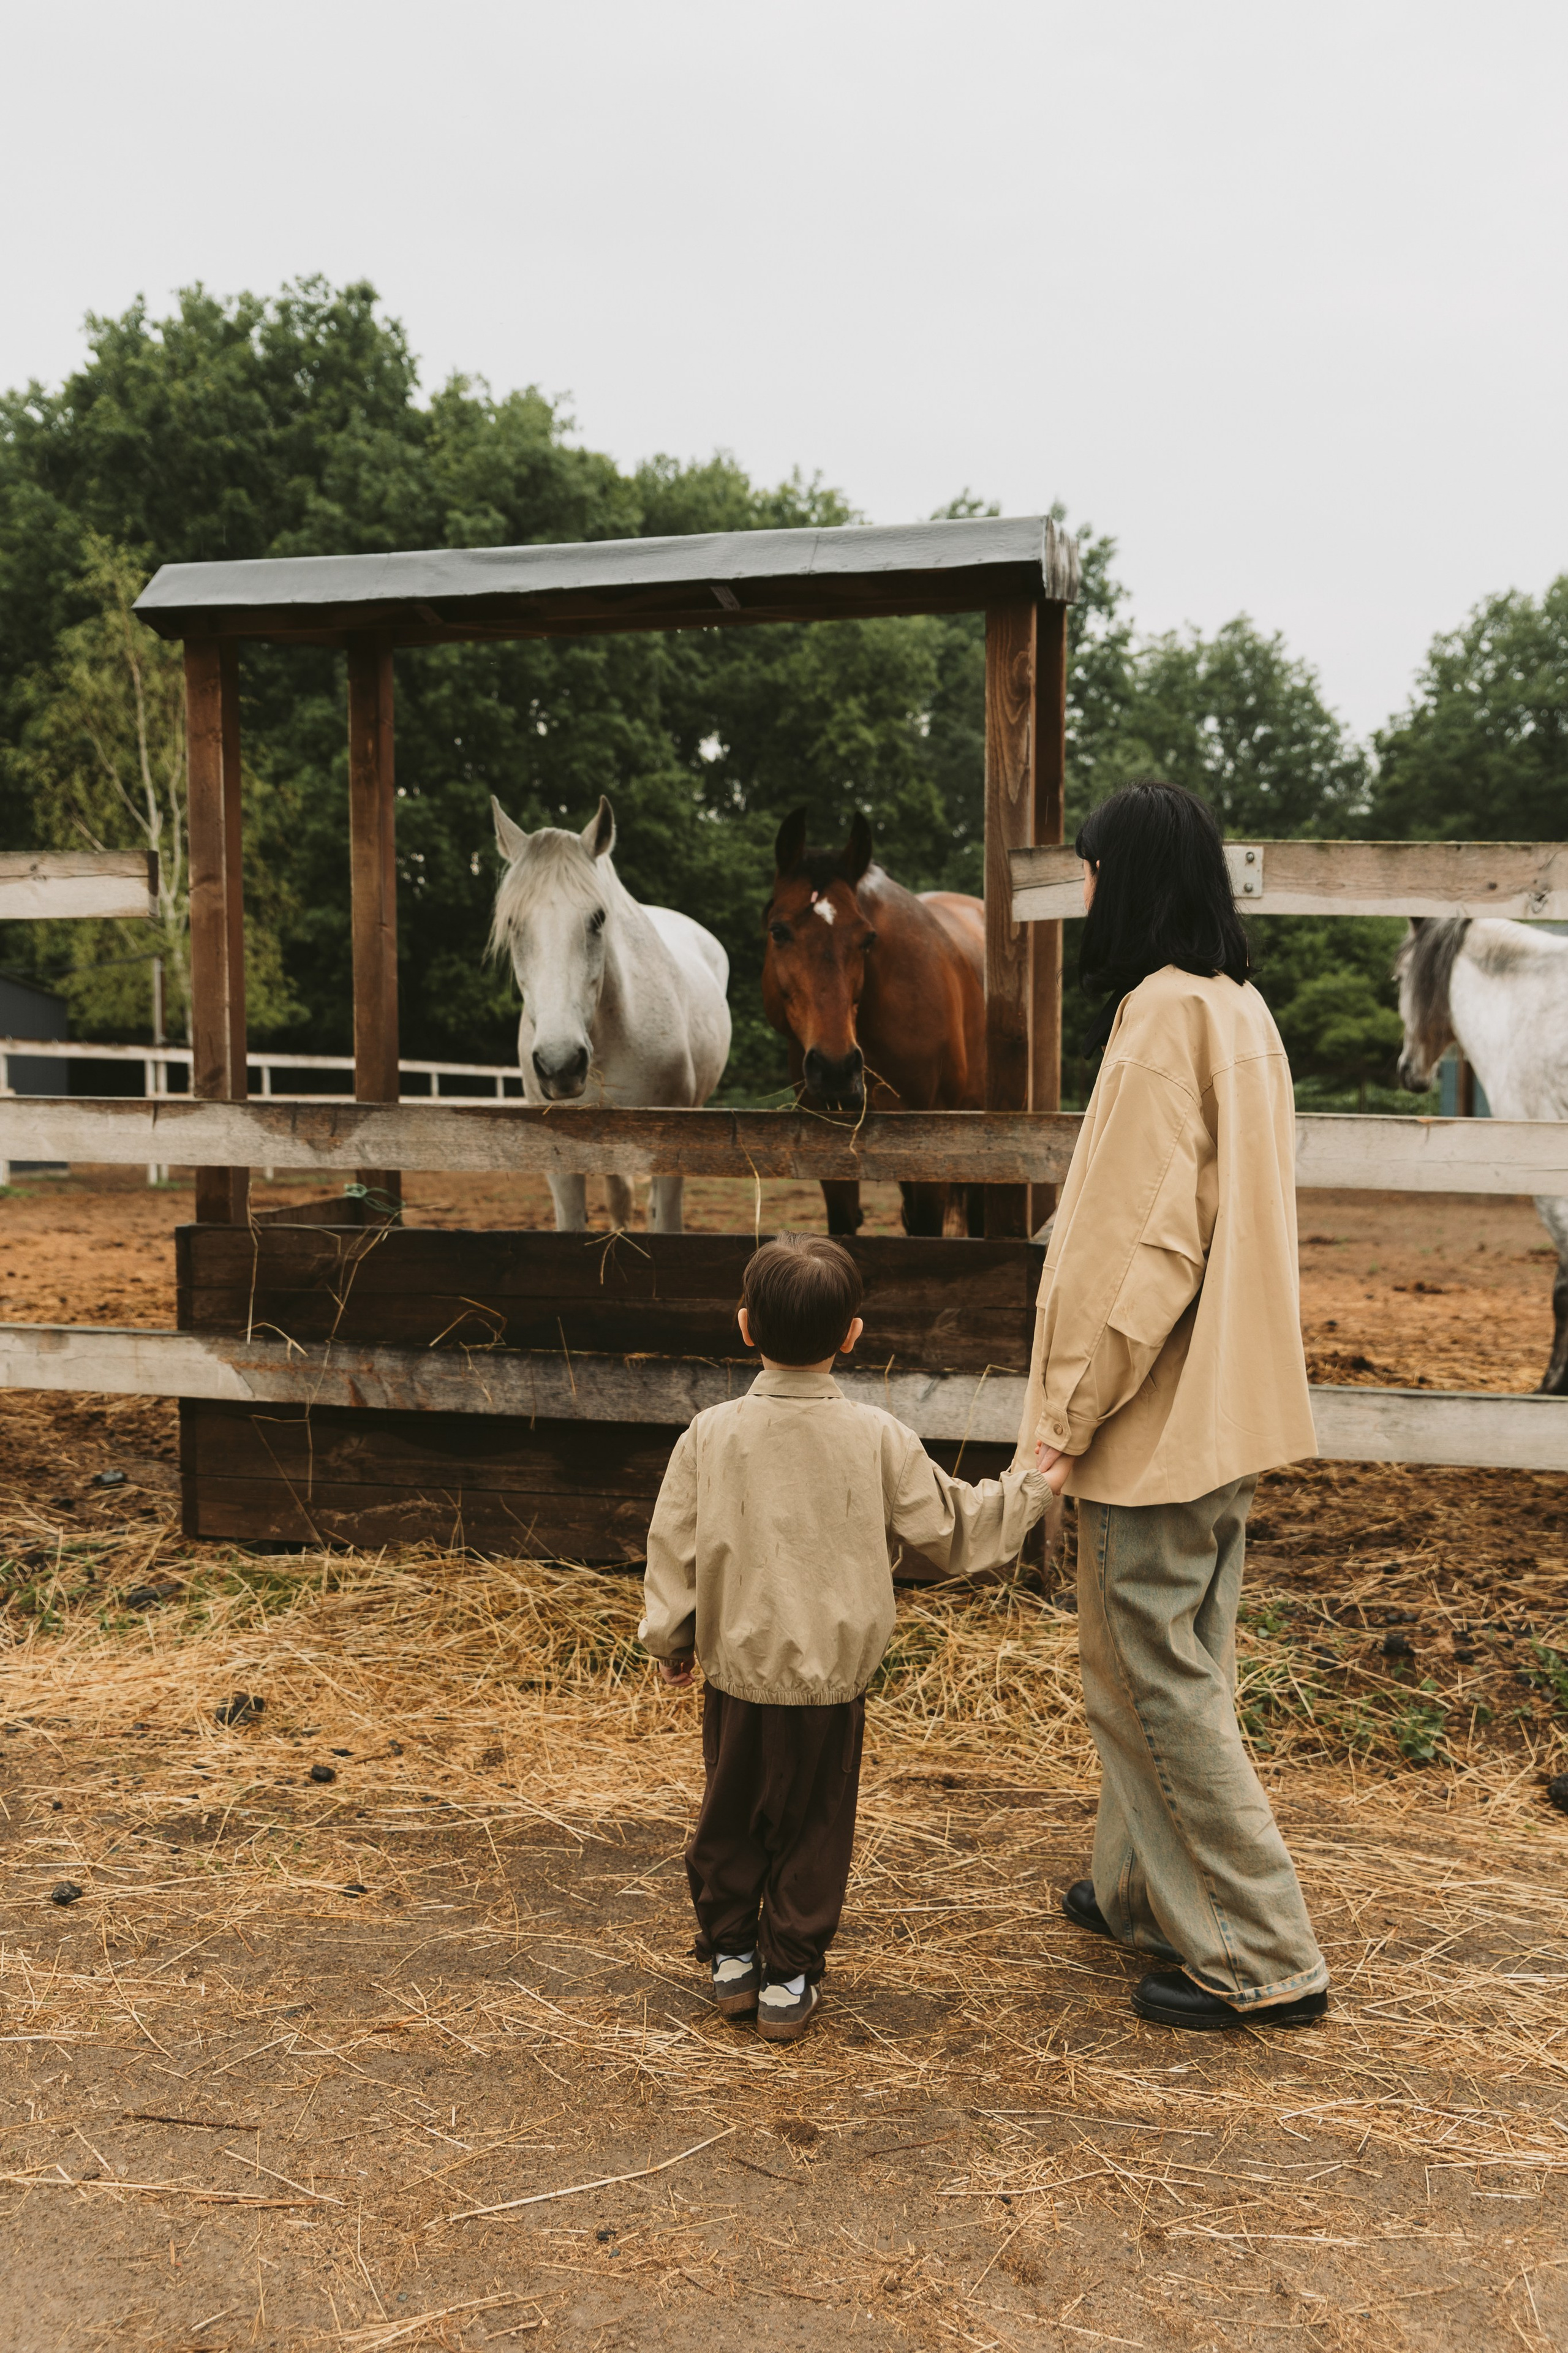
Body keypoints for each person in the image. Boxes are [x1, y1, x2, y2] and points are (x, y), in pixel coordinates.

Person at [1017, 780, 1328, 2032]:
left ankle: (1260, 1952)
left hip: (1157, 1416)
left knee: (1150, 1679)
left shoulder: (1156, 1018)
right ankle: (1137, 1890)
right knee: (1151, 1662)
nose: (1082, 891)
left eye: (1090, 869)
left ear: (1127, 880)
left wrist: (1064, 1414)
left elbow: (1140, 1249)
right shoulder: (1236, 1009)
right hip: (1221, 1407)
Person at [641, 1233, 1053, 2042]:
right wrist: (1036, 1486)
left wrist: (672, 1638)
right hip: (833, 1684)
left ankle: (730, 1956)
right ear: (854, 1334)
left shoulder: (710, 1433)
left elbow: (675, 1542)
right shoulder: (877, 1436)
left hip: (736, 1675)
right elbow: (955, 1527)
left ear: (745, 1326)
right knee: (817, 1822)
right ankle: (789, 1973)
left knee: (730, 1810)